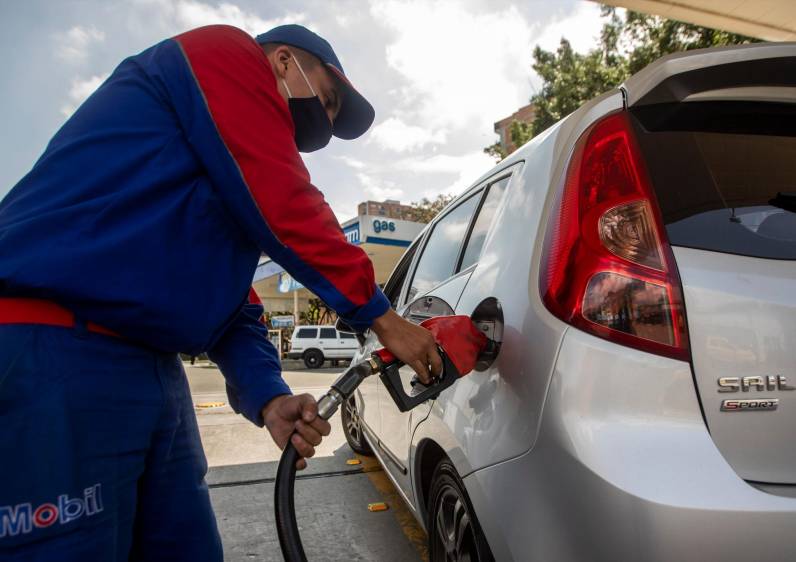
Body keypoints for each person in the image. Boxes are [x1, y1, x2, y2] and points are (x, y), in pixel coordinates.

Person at [0, 23, 442, 561]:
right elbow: (286, 199)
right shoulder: (224, 53)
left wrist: (270, 397)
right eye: (326, 101)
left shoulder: (224, 176)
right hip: (52, 345)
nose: (322, 126)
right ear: (283, 61)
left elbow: (233, 304)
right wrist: (383, 319)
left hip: (153, 371)